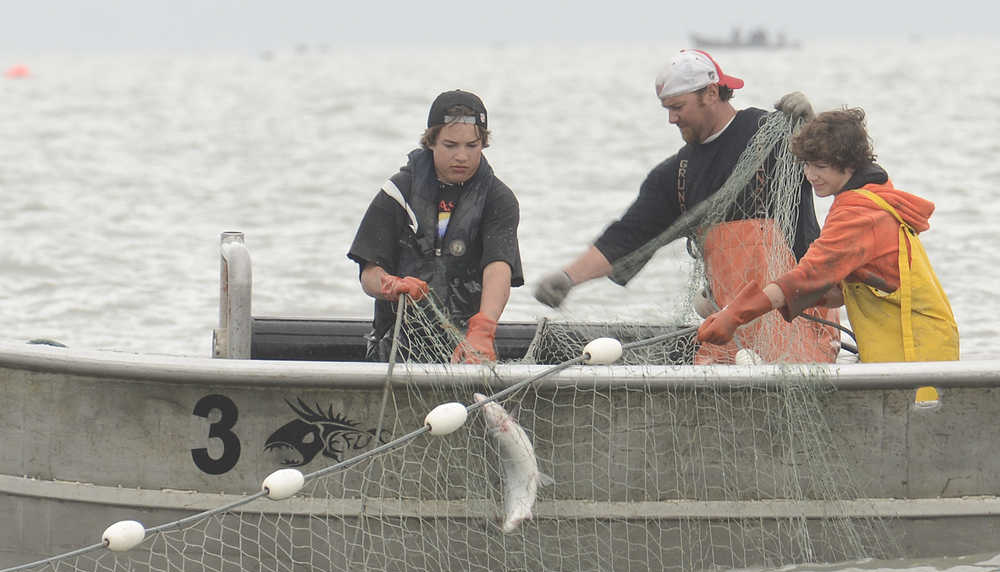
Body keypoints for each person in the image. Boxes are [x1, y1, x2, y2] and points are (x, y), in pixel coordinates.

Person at [533, 48, 837, 364]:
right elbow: (624, 240)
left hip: (801, 323)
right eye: (667, 109)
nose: (671, 118)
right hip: (731, 332)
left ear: (710, 93)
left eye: (678, 107)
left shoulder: (773, 135)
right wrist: (568, 278)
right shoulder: (676, 176)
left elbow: (836, 169)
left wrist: (812, 126)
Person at [697, 107, 959, 400]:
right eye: (806, 165)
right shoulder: (874, 196)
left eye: (820, 166)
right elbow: (842, 291)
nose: (810, 175)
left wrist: (737, 314)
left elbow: (809, 275)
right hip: (918, 341)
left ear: (848, 164)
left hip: (915, 351)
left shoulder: (859, 213)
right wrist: (780, 301)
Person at [348, 90, 523, 364]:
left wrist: (484, 329)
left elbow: (499, 266)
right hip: (396, 343)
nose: (462, 156)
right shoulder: (397, 193)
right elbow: (368, 274)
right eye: (450, 145)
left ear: (483, 144)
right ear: (431, 142)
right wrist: (391, 285)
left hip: (468, 345)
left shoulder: (499, 200)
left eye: (472, 146)